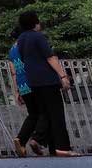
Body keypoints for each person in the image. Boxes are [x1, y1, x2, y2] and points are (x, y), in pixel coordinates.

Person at [16, 11, 80, 157]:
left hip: (33, 81)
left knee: (46, 113)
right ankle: (62, 147)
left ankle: (49, 145)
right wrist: (63, 75)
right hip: (47, 80)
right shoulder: (38, 37)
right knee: (57, 114)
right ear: (35, 23)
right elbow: (50, 58)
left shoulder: (21, 39)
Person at [8, 26, 47, 156]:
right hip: (34, 81)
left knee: (33, 114)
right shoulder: (26, 46)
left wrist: (17, 90)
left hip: (22, 84)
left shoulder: (12, 50)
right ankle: (36, 139)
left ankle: (21, 139)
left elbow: (14, 72)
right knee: (45, 111)